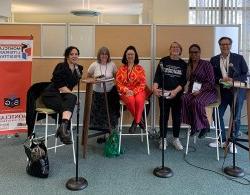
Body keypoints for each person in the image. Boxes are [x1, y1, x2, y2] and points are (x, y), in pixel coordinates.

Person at [208, 37, 248, 154]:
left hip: (236, 92)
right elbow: (211, 76)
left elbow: (245, 73)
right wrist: (220, 79)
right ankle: (222, 139)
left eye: (227, 44)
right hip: (221, 92)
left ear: (231, 45)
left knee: (236, 117)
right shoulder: (214, 60)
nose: (225, 46)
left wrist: (233, 79)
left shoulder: (239, 58)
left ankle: (232, 142)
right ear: (219, 45)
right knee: (217, 115)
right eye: (222, 44)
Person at [41, 46, 83, 144]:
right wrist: (73, 96)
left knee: (71, 99)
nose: (74, 56)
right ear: (67, 56)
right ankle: (63, 130)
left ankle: (62, 128)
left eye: (76, 54)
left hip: (63, 95)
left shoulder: (79, 69)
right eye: (71, 54)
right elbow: (60, 86)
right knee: (70, 102)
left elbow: (72, 85)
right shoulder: (61, 66)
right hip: (51, 94)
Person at [153, 41, 187, 150]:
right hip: (164, 93)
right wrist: (154, 88)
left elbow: (183, 81)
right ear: (170, 49)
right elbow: (157, 76)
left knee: (176, 117)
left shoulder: (183, 64)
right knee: (164, 116)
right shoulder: (163, 61)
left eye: (177, 47)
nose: (175, 49)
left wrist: (175, 91)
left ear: (180, 50)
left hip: (177, 95)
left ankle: (176, 138)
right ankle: (163, 138)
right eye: (173, 47)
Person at [182, 44, 217, 138]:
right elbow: (188, 81)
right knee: (184, 99)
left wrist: (200, 91)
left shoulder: (206, 64)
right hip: (194, 91)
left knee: (197, 102)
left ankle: (205, 126)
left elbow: (211, 82)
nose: (193, 54)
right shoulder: (188, 65)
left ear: (199, 53)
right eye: (191, 52)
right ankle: (194, 125)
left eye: (196, 52)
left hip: (208, 91)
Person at [116, 45, 151, 133]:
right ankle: (139, 121)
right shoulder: (121, 69)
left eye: (132, 54)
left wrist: (133, 91)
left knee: (139, 101)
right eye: (128, 54)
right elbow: (118, 84)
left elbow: (142, 84)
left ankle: (136, 122)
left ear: (135, 56)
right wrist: (127, 90)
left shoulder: (140, 69)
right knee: (130, 101)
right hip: (125, 92)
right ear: (125, 56)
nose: (130, 56)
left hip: (138, 91)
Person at [87, 46, 120, 130]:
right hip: (97, 94)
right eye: (102, 54)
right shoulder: (94, 65)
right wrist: (94, 80)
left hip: (110, 94)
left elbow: (117, 77)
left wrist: (114, 83)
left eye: (106, 54)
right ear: (99, 55)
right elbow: (88, 77)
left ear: (108, 55)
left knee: (109, 114)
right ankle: (101, 133)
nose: (104, 56)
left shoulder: (112, 64)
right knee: (98, 116)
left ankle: (109, 132)